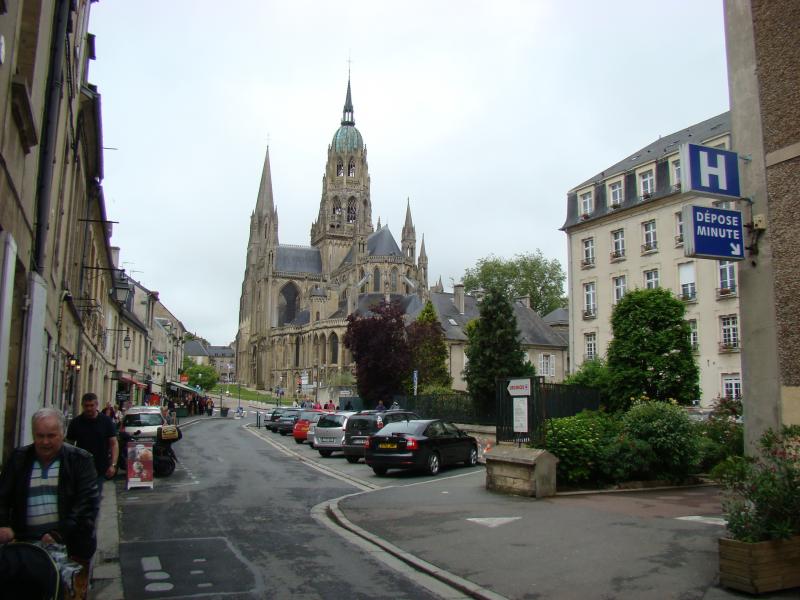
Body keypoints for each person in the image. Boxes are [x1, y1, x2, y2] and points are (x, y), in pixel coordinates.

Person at [0, 408, 99, 561]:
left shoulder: (80, 460)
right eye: (40, 436)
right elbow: (3, 496)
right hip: (25, 546)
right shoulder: (19, 458)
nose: (45, 442)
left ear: (63, 434)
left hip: (69, 548)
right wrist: (4, 524)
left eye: (51, 436)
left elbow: (86, 505)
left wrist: (58, 534)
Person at [66, 393, 119, 497]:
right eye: (86, 406)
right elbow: (69, 446)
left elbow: (113, 444)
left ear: (97, 405)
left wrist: (113, 464)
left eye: (91, 405)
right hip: (80, 468)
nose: (89, 408)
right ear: (82, 405)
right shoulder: (76, 423)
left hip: (99, 468)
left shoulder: (106, 421)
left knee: (94, 498)